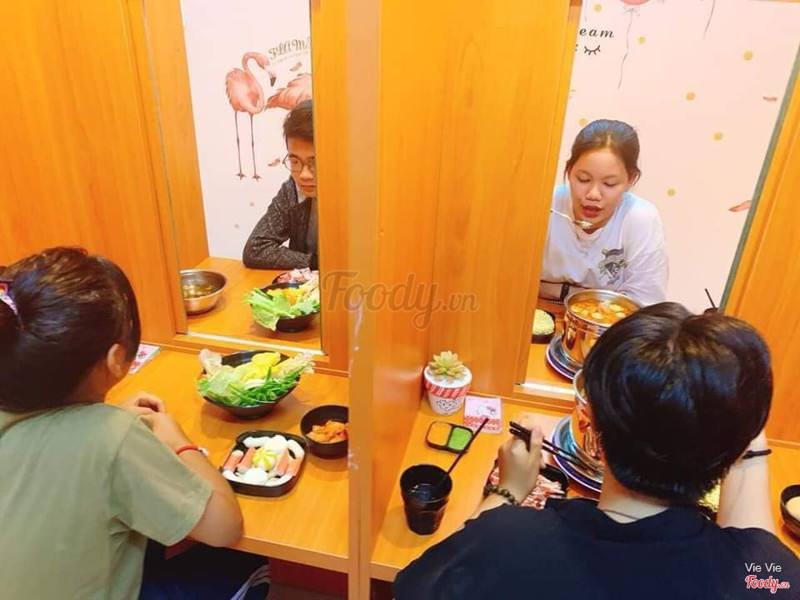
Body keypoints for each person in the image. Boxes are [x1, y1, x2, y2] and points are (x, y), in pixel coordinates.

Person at [395, 303, 800, 599]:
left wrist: (507, 491)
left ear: (592, 427)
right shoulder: (767, 579)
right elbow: (759, 556)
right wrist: (740, 428)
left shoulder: (504, 543)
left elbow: (416, 586)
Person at [0, 247, 268, 600]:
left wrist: (106, 421)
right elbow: (225, 527)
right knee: (245, 563)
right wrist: (179, 441)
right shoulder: (112, 437)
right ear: (115, 358)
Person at [540, 119, 668, 306]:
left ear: (631, 179)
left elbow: (645, 304)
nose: (593, 194)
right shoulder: (545, 204)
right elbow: (514, 277)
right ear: (568, 171)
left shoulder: (641, 219)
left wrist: (559, 291)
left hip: (613, 322)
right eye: (583, 179)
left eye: (609, 184)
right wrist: (580, 294)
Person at [243, 99, 319, 270]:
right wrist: (314, 263)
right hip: (307, 285)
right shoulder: (292, 190)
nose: (304, 175)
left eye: (314, 163)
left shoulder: (354, 197)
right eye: (295, 162)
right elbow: (255, 249)